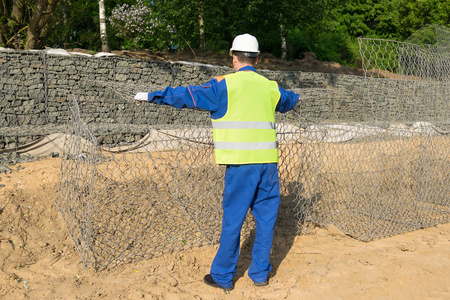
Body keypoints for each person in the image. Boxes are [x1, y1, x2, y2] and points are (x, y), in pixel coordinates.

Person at [134, 33, 300, 291]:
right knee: (266, 222)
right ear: (257, 59)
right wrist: (299, 97)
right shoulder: (270, 87)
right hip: (268, 166)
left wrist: (152, 95)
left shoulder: (223, 86)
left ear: (234, 57)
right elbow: (289, 99)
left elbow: (186, 95)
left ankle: (223, 277)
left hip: (241, 166)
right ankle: (260, 275)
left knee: (233, 221)